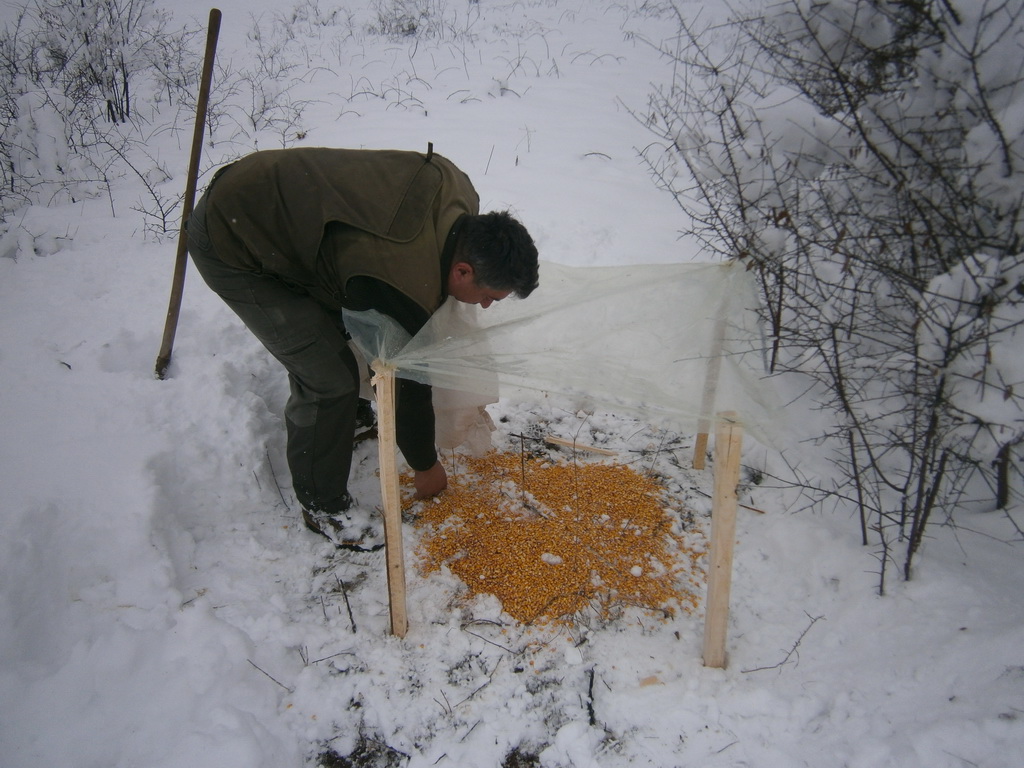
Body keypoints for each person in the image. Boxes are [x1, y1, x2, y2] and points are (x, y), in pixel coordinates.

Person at [186, 145, 539, 546]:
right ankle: (324, 507)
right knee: (327, 377)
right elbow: (409, 383)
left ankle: (349, 419)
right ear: (462, 270)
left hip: (288, 209)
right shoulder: (398, 279)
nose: (487, 306)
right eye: (490, 295)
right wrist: (425, 466)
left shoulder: (460, 195)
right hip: (234, 236)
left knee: (350, 323)